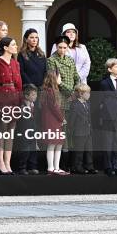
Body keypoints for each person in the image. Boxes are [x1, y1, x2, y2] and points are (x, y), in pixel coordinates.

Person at [0, 37, 22, 175]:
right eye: (13, 44)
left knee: (10, 133)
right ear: (6, 47)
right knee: (1, 132)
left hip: (14, 99)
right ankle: (0, 162)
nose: (16, 46)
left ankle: (8, 162)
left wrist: (19, 103)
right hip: (2, 99)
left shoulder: (15, 63)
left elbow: (19, 84)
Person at [47, 35, 80, 170]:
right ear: (56, 47)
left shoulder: (71, 60)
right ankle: (57, 165)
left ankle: (69, 164)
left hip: (72, 98)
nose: (62, 50)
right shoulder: (51, 60)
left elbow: (76, 77)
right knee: (60, 133)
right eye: (60, 47)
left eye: (64, 47)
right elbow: (55, 81)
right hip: (59, 99)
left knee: (70, 131)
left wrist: (76, 92)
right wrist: (70, 92)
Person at [99, 58, 117, 177]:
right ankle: (108, 166)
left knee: (116, 143)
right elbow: (102, 100)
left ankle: (115, 166)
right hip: (108, 116)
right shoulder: (104, 83)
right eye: (116, 67)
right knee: (108, 142)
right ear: (109, 69)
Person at [41, 70, 68, 175]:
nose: (60, 79)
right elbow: (55, 108)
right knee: (53, 144)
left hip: (52, 121)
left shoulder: (47, 91)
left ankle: (55, 167)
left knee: (57, 144)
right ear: (54, 78)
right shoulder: (51, 92)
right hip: (53, 121)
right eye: (59, 77)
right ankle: (51, 167)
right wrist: (62, 119)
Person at [69, 83, 96, 175]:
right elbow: (72, 120)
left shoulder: (88, 104)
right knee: (79, 151)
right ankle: (77, 167)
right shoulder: (75, 105)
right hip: (79, 132)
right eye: (87, 93)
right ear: (81, 94)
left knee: (89, 150)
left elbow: (89, 118)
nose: (89, 95)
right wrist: (71, 130)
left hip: (87, 131)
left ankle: (90, 166)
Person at [15, 84, 39, 175]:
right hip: (24, 132)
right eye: (33, 95)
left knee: (33, 150)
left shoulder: (34, 106)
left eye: (36, 94)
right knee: (25, 150)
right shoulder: (22, 106)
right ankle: (22, 167)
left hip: (32, 131)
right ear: (26, 96)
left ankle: (32, 167)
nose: (35, 96)